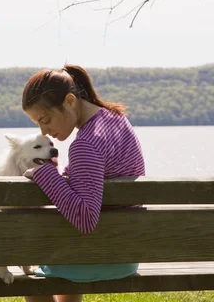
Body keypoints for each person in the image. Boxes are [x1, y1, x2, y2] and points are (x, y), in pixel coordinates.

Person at [20, 64, 146, 302]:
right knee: (66, 255)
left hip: (99, 256)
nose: (44, 131)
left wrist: (44, 174)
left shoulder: (85, 144)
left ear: (70, 101)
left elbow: (85, 219)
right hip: (127, 253)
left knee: (33, 280)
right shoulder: (116, 120)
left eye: (45, 119)